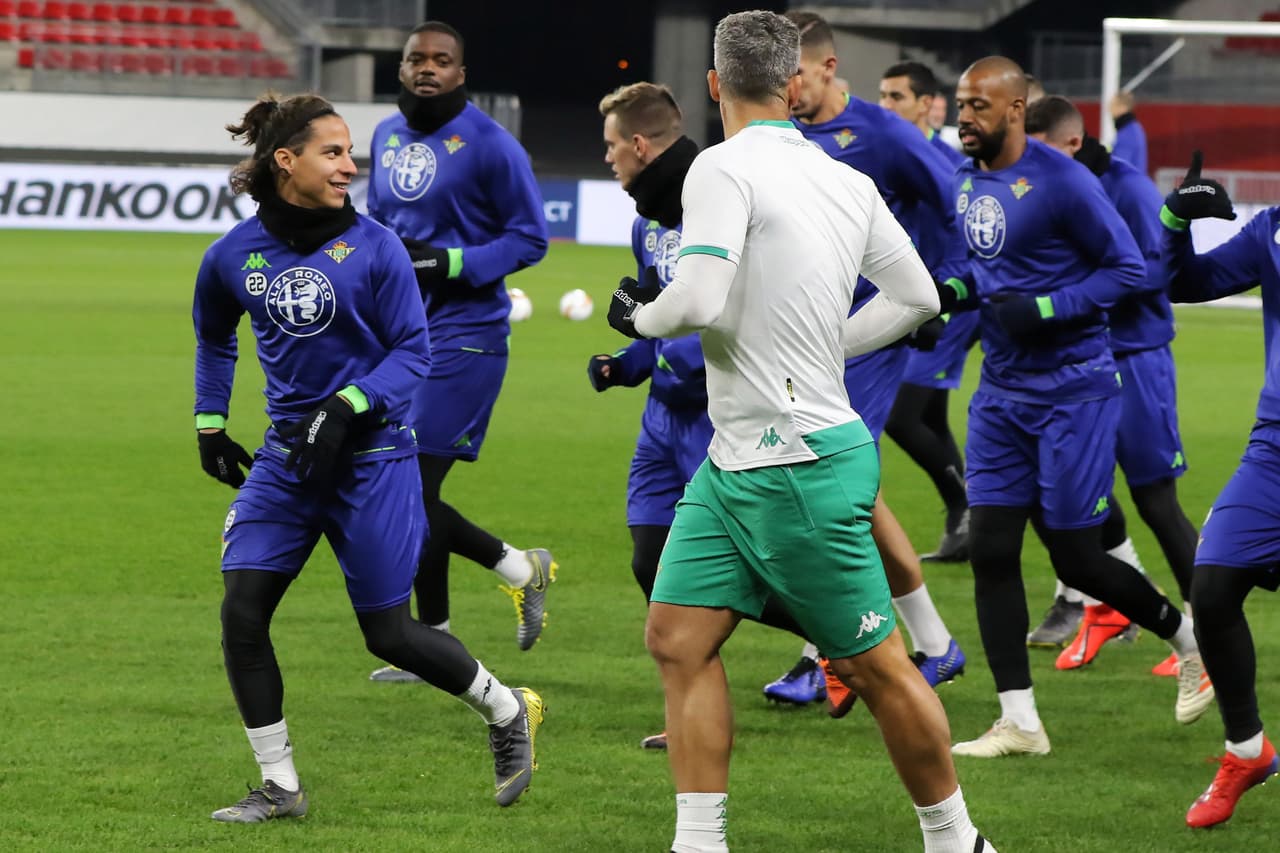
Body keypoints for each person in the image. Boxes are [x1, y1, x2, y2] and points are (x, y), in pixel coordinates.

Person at [608, 12, 996, 852]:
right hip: (737, 462)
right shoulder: (844, 180)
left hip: (795, 462)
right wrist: (835, 342)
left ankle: (958, 840)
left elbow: (697, 298)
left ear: (715, 85)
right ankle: (699, 841)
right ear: (793, 85)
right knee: (677, 636)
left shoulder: (720, 166)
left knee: (875, 667)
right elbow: (918, 296)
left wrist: (639, 319)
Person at [192, 93, 543, 820]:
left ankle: (508, 709)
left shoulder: (379, 248)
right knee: (242, 613)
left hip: (375, 460)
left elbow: (413, 353)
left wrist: (347, 405)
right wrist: (210, 423)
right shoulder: (230, 256)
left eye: (350, 152)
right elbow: (215, 336)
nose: (351, 166)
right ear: (284, 161)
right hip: (287, 463)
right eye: (333, 152)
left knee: (388, 634)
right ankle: (281, 786)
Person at [945, 57, 1212, 758]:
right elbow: (982, 268)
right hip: (1000, 393)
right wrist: (950, 294)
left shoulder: (1064, 181)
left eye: (977, 105)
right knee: (991, 549)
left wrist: (1047, 307)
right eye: (960, 104)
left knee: (1077, 555)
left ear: (1014, 109)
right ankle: (1020, 721)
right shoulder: (966, 180)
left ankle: (1189, 641)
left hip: (1074, 390)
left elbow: (1128, 268)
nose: (964, 116)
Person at [592, 82, 819, 746]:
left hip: (718, 419)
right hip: (660, 423)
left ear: (640, 145)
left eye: (611, 145)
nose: (607, 158)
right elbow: (659, 318)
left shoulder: (720, 203)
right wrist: (625, 362)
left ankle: (839, 636)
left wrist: (669, 354)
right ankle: (693, 710)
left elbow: (735, 313)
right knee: (651, 562)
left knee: (750, 565)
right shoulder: (646, 223)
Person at [762, 10, 967, 715]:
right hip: (805, 334)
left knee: (827, 480)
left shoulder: (884, 135)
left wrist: (944, 291)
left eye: (796, 74)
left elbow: (957, 203)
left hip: (870, 333)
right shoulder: (781, 134)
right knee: (846, 490)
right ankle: (929, 641)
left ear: (827, 66)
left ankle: (825, 657)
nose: (788, 89)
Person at [365, 21, 554, 678]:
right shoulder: (386, 136)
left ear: (460, 73)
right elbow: (378, 225)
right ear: (401, 67)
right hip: (400, 336)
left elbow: (530, 238)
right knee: (404, 487)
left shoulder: (492, 145)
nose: (427, 68)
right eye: (416, 58)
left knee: (410, 488)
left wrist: (448, 262)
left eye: (441, 60)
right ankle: (437, 638)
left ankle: (519, 570)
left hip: (466, 336)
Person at [1025, 95, 1199, 675]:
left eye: (1040, 149)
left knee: (1156, 501)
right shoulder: (1052, 186)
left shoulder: (1128, 187)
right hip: (1080, 363)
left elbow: (1160, 270)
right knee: (1070, 492)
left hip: (1135, 358)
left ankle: (1206, 632)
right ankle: (1109, 608)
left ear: (1072, 143)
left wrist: (1076, 287)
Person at [1158, 151, 1280, 827]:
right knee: (1211, 587)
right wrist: (1175, 220)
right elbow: (1187, 281)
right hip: (1275, 447)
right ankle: (1247, 749)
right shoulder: (1274, 229)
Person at [878, 59, 980, 563]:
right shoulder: (889, 154)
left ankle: (967, 506)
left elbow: (968, 232)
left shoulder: (945, 162)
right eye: (883, 96)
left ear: (926, 105)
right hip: (914, 300)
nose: (886, 106)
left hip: (947, 304)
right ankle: (966, 525)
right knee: (930, 416)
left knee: (901, 417)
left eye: (897, 97)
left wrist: (948, 293)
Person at [1109, 90, 1149, 175]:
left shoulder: (1128, 133)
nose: (1109, 109)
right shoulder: (1132, 128)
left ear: (1123, 107)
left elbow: (1120, 166)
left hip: (1127, 182)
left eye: (1113, 105)